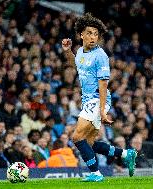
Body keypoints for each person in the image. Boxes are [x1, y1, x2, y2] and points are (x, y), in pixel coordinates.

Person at [61, 13, 137, 182]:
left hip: (97, 99)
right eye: (89, 33)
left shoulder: (101, 56)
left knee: (77, 137)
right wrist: (68, 52)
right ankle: (126, 154)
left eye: (96, 34)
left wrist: (102, 111)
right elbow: (77, 64)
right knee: (89, 143)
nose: (93, 37)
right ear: (81, 34)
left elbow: (103, 85)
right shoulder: (80, 51)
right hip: (88, 101)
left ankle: (96, 173)